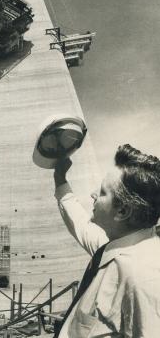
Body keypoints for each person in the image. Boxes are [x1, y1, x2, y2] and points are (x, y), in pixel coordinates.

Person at [53, 144, 160, 337]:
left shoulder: (143, 278)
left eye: (102, 192)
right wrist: (60, 178)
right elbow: (81, 225)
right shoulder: (116, 246)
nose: (93, 194)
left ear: (122, 211)